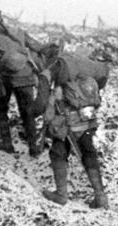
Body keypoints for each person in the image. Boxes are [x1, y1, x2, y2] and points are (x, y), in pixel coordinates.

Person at [40, 44, 111, 209]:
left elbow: (49, 113)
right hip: (87, 121)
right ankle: (101, 196)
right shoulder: (85, 78)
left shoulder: (59, 85)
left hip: (68, 123)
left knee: (58, 153)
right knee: (89, 154)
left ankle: (61, 194)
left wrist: (48, 118)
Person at [0, 8, 46, 154]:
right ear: (1, 19)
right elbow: (38, 47)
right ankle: (34, 147)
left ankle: (7, 144)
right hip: (24, 76)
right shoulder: (19, 33)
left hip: (2, 79)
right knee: (27, 112)